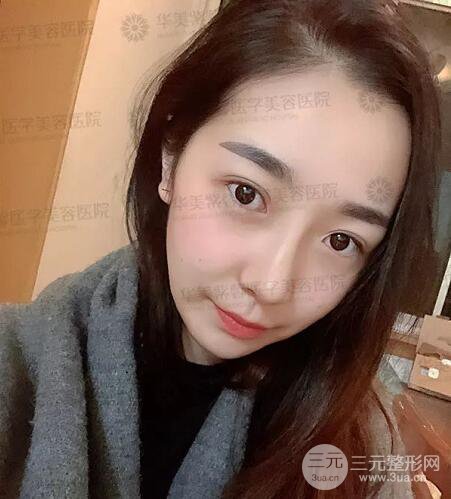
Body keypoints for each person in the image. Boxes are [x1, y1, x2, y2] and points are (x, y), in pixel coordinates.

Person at [0, 0, 442, 497]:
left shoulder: (362, 450)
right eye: (246, 194)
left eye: (341, 241)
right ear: (171, 157)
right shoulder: (17, 364)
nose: (271, 285)